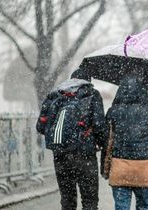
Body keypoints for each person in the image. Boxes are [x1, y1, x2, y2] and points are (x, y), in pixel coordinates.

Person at [36, 72, 107, 210]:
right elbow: (99, 125)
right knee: (89, 200)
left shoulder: (56, 95)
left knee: (67, 199)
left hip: (60, 156)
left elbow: (40, 127)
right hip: (84, 155)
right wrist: (101, 144)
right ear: (87, 81)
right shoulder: (92, 94)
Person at [104, 76, 148, 210]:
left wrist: (104, 168)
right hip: (142, 166)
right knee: (144, 205)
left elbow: (107, 139)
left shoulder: (113, 111)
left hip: (120, 165)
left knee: (122, 206)